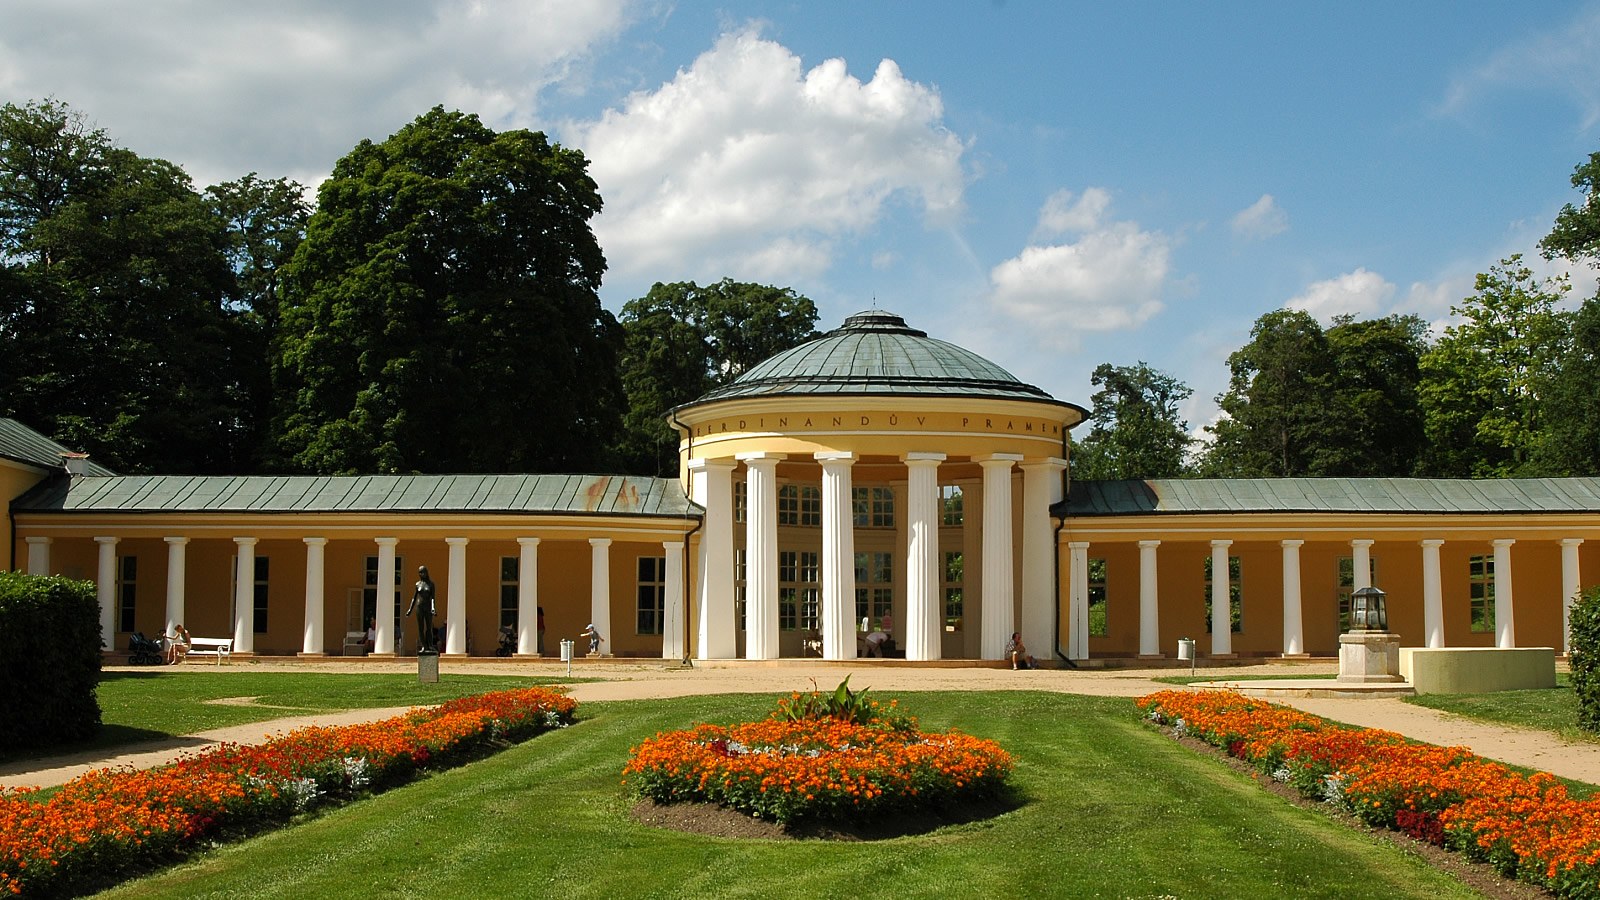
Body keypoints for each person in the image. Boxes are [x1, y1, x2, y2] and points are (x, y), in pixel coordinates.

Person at [405, 565, 438, 653]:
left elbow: (432, 598)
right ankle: (424, 646)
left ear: (426, 572)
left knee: (429, 627)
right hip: (419, 607)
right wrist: (410, 609)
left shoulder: (431, 584)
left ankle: (430, 645)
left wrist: (433, 608)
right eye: (420, 572)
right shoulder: (417, 584)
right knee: (420, 628)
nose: (422, 574)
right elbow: (414, 598)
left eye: (423, 572)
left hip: (427, 607)